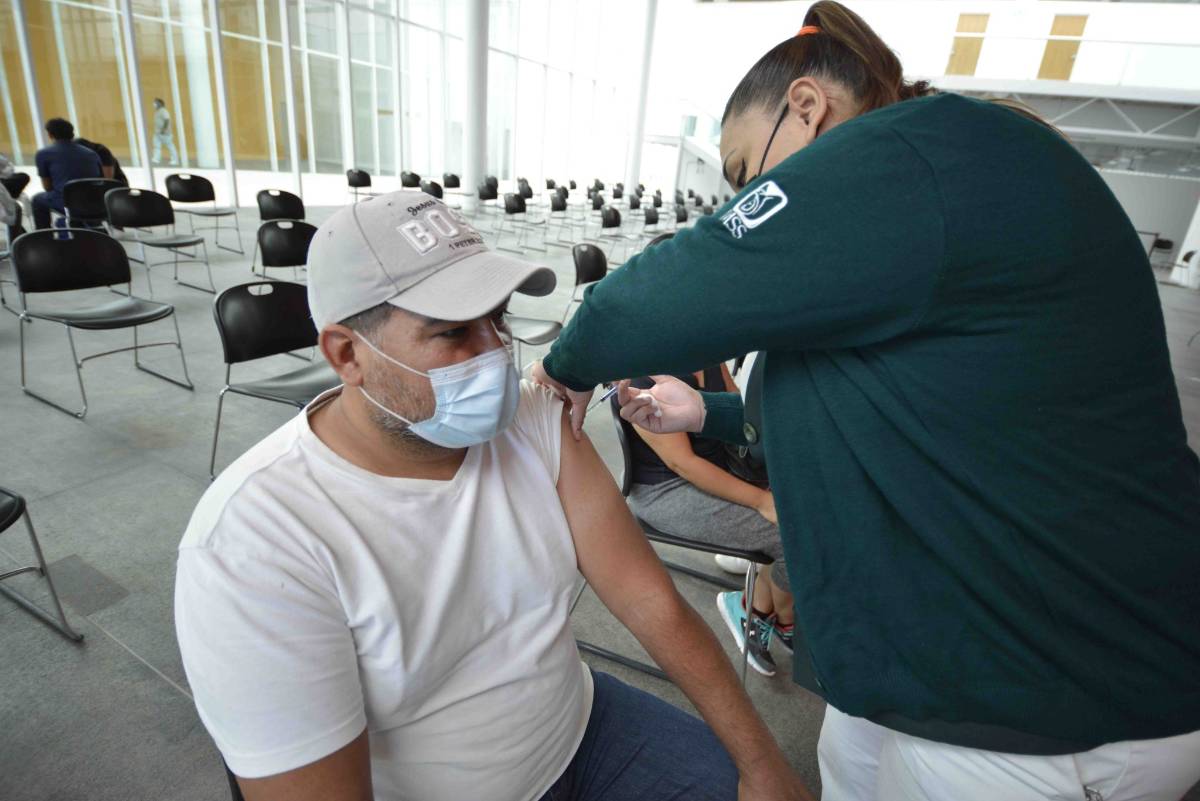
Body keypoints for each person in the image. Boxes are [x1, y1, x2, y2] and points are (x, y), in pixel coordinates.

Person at [532, 2, 1200, 799]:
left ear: (807, 108)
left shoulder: (915, 153)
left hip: (1040, 688)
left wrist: (563, 368)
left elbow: (654, 298)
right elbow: (905, 402)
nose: (740, 196)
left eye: (745, 173)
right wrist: (709, 413)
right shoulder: (923, 206)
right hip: (925, 657)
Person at [175, 191, 810, 801]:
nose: (495, 355)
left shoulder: (533, 419)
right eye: (453, 332)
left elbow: (650, 602)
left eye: (497, 318)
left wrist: (762, 764)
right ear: (348, 355)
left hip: (582, 727)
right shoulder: (256, 542)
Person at [624, 364, 794, 677]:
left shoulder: (709, 356)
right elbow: (684, 464)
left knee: (805, 509)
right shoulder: (643, 377)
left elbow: (741, 415)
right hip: (667, 491)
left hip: (722, 467)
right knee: (793, 538)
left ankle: (764, 606)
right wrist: (761, 500)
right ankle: (771, 616)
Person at [32, 117, 101, 230]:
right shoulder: (91, 153)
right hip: (94, 203)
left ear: (50, 135)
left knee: (37, 200)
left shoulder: (44, 154)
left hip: (67, 203)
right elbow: (100, 180)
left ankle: (44, 236)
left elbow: (47, 187)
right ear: (72, 133)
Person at [151, 98, 178, 166]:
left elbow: (167, 120)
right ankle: (156, 158)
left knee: (170, 146)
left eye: (156, 103)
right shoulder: (157, 111)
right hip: (157, 133)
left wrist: (164, 129)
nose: (154, 104)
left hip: (165, 133)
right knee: (156, 146)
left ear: (160, 103)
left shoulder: (164, 111)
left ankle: (174, 160)